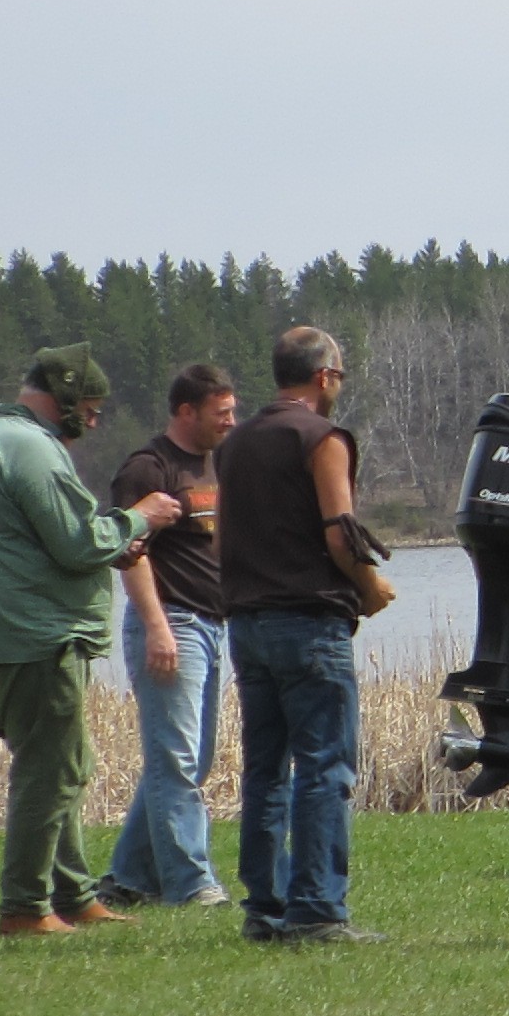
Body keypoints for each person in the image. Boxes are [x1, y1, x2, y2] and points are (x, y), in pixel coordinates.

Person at [218, 327, 396, 943]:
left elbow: (223, 540)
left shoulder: (235, 443)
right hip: (309, 623)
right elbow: (341, 533)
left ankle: (265, 909)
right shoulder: (322, 437)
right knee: (324, 766)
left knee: (265, 770)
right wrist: (369, 588)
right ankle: (317, 909)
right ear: (323, 377)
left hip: (246, 623)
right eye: (339, 375)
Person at [0, 344, 182, 936]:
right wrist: (140, 517)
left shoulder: (7, 439)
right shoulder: (32, 450)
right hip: (39, 638)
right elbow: (77, 542)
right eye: (92, 409)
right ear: (66, 398)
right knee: (51, 770)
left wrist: (111, 540)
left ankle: (74, 896)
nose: (96, 422)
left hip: (14, 636)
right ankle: (25, 908)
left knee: (67, 763)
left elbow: (40, 540)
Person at [99, 364, 238, 909]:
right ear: (186, 411)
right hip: (171, 624)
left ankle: (129, 878)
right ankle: (191, 883)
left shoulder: (212, 465)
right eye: (220, 413)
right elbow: (129, 554)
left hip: (211, 626)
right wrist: (157, 628)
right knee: (176, 759)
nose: (231, 421)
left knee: (191, 758)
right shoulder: (147, 467)